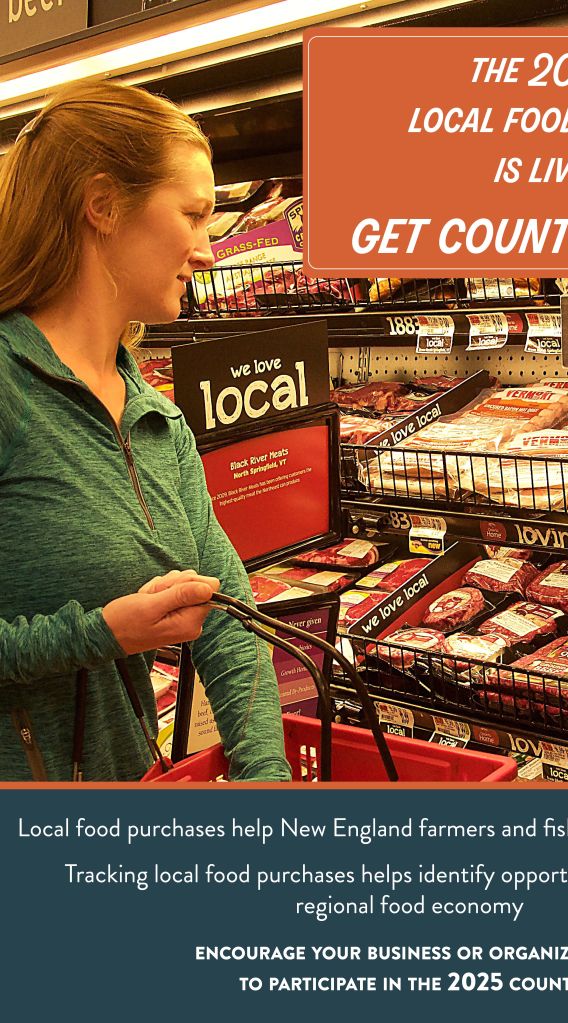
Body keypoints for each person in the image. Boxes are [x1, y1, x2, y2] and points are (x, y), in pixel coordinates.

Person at [0, 81, 291, 782]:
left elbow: (230, 621)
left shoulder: (155, 417)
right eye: (192, 215)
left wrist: (268, 782)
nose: (208, 251)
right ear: (102, 204)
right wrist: (98, 633)